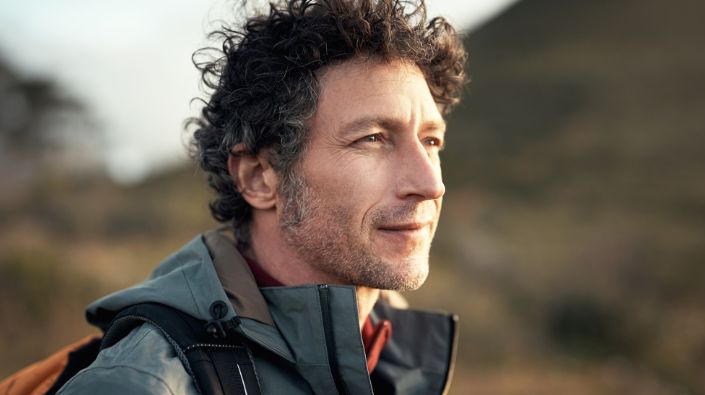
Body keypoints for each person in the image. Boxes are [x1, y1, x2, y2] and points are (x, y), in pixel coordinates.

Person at [57, 0, 466, 393]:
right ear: (258, 179)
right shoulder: (142, 383)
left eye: (431, 141)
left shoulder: (394, 349)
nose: (431, 185)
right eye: (373, 139)